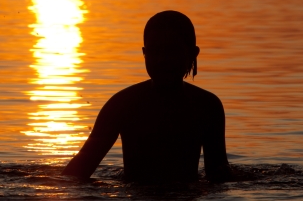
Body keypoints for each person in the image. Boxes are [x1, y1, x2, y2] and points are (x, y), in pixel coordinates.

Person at [62, 10, 233, 183]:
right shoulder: (122, 105)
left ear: (193, 54)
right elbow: (76, 173)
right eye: (154, 51)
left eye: (171, 51)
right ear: (144, 53)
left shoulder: (207, 106)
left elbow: (217, 175)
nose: (161, 60)